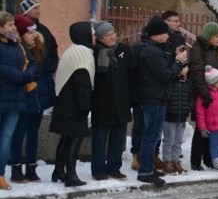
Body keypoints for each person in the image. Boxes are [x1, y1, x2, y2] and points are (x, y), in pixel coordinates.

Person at [136, 15, 188, 186]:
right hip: (155, 97)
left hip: (151, 95)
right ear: (156, 34)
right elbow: (165, 74)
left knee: (150, 134)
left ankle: (147, 168)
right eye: (165, 33)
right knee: (152, 135)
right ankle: (146, 171)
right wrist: (179, 63)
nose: (167, 36)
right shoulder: (151, 51)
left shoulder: (149, 48)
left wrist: (173, 58)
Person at [49, 22, 96, 187]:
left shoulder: (73, 49)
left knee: (66, 137)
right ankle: (71, 174)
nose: (95, 37)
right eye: (92, 33)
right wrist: (85, 106)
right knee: (75, 138)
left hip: (65, 101)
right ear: (85, 35)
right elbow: (81, 82)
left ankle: (59, 171)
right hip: (74, 104)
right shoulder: (83, 53)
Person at [0, 11, 39, 190]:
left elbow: (32, 63)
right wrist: (21, 77)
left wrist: (26, 75)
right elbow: (4, 70)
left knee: (6, 139)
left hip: (16, 99)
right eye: (9, 26)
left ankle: (0, 175)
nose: (14, 29)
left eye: (14, 25)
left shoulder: (18, 45)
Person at [9, 15, 50, 182]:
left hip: (38, 97)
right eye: (29, 33)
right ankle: (16, 169)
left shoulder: (40, 48)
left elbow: (46, 72)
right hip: (23, 98)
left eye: (34, 32)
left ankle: (31, 168)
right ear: (20, 34)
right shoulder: (16, 51)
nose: (33, 35)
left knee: (33, 133)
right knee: (18, 134)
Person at [90, 21, 133, 180]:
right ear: (100, 38)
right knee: (99, 139)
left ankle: (114, 167)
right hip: (101, 103)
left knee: (118, 138)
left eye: (113, 33)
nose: (112, 37)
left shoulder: (124, 50)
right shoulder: (94, 53)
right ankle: (98, 169)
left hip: (121, 101)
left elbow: (131, 75)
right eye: (108, 35)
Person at [187, 22, 218, 171]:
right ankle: (196, 160)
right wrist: (205, 94)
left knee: (215, 128)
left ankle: (210, 159)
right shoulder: (198, 49)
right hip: (204, 96)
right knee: (202, 129)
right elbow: (196, 73)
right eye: (217, 36)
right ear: (209, 37)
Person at [19, 0, 57, 100]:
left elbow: (53, 48)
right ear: (26, 11)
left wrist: (52, 66)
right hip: (28, 83)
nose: (38, 11)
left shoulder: (43, 29)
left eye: (38, 8)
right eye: (34, 8)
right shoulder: (18, 29)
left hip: (44, 78)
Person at [162, 64, 192, 174]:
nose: (187, 69)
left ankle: (175, 160)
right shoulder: (172, 82)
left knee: (178, 140)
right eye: (185, 67)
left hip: (182, 116)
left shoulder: (188, 83)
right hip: (170, 116)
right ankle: (167, 161)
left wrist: (189, 107)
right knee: (169, 139)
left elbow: (191, 98)